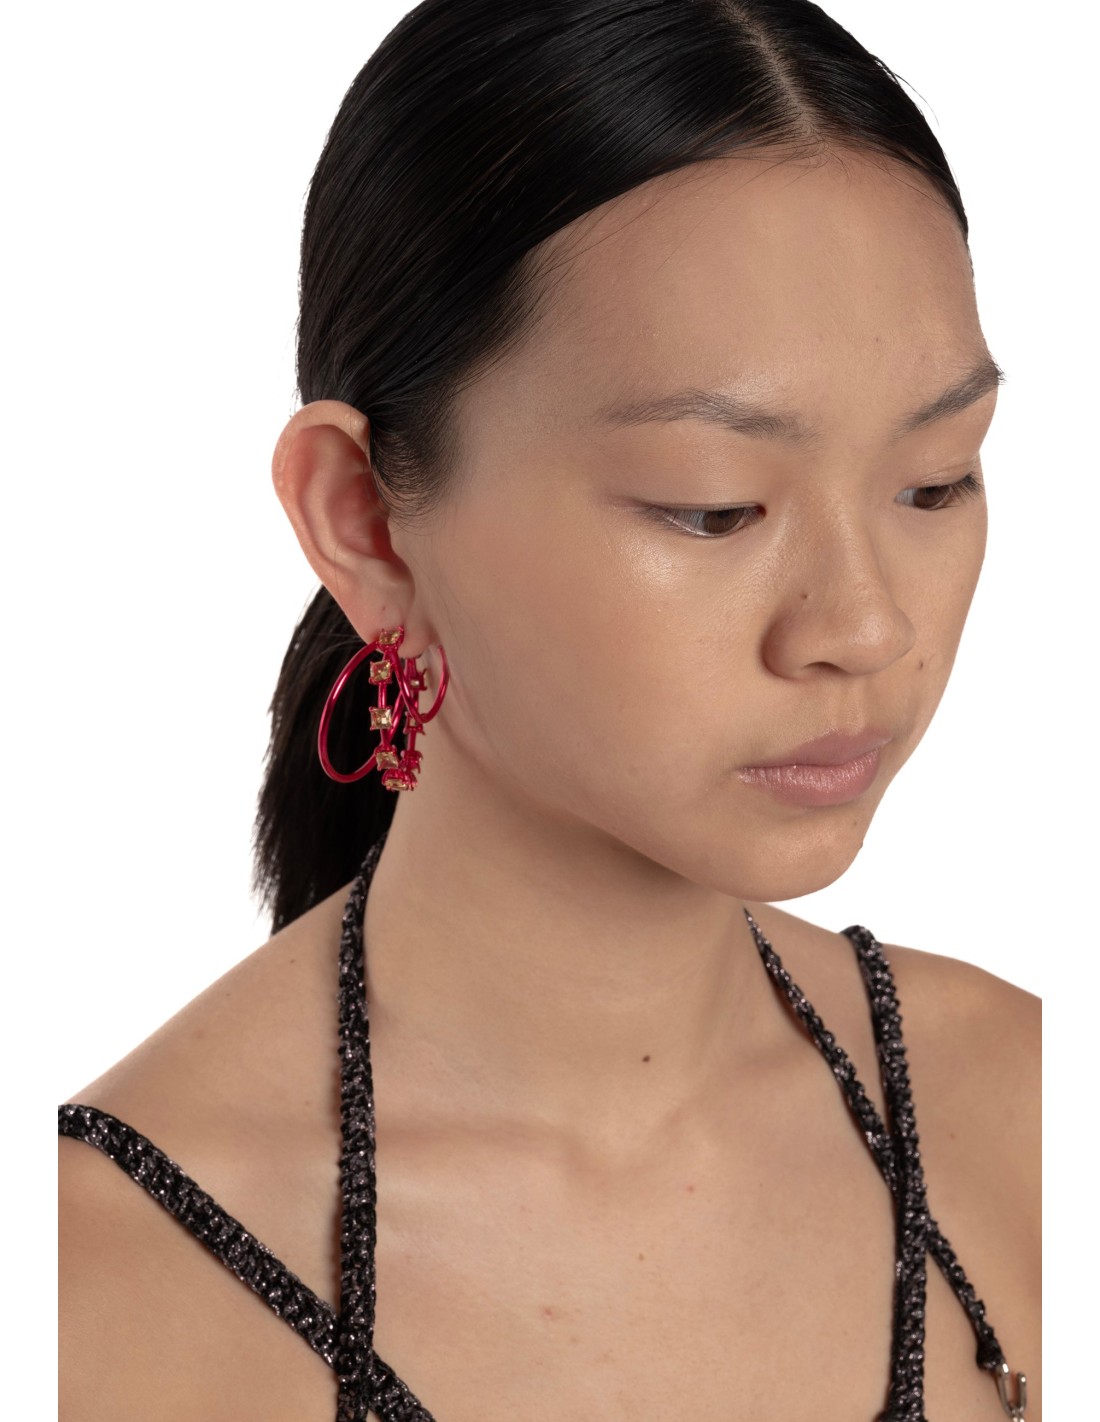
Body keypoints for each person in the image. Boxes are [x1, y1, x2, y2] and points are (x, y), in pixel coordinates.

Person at [57, 1, 1041, 1418]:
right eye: (715, 505)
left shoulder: (1029, 1116)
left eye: (936, 481)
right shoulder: (91, 1292)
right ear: (366, 522)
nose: (866, 626)